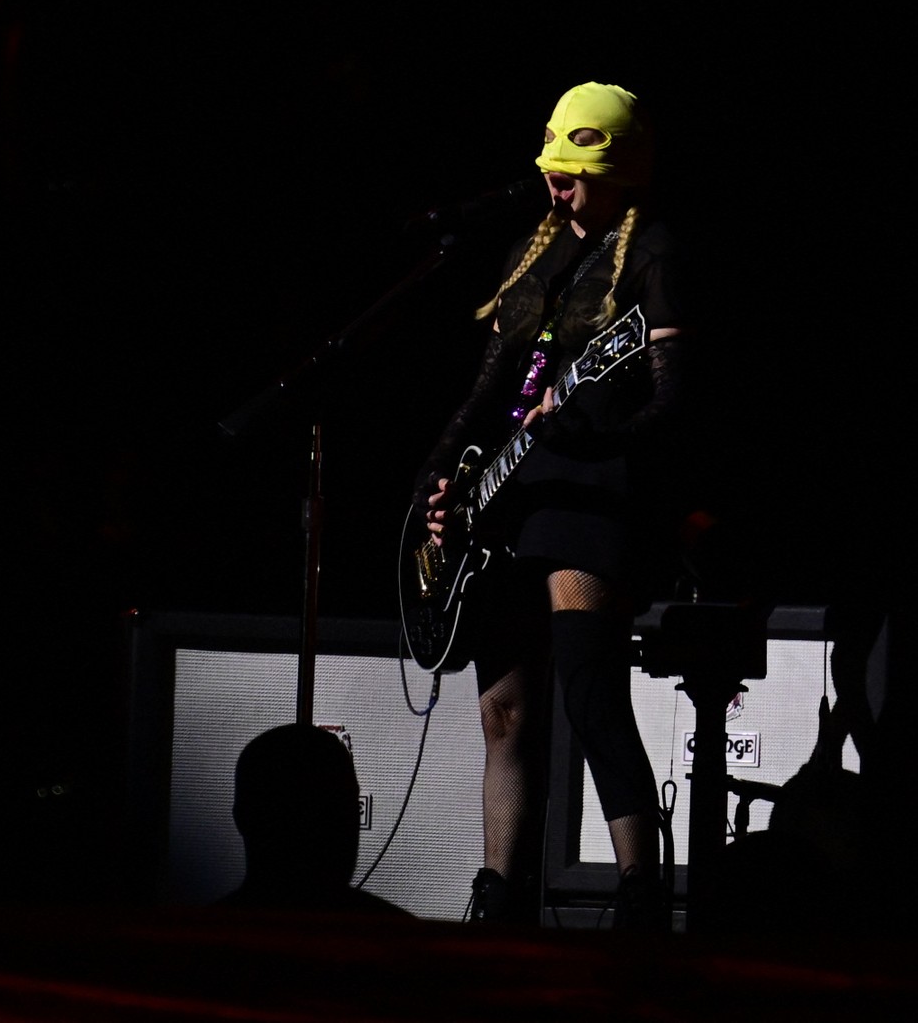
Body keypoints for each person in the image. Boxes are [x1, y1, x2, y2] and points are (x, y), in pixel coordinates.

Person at [414, 81, 692, 929]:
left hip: (593, 497)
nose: (558, 186)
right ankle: (496, 893)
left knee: (591, 690)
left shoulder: (653, 252)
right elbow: (486, 390)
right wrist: (438, 481)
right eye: (552, 170)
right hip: (509, 501)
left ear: (621, 173)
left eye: (575, 172)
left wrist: (579, 432)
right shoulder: (532, 255)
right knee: (503, 710)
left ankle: (641, 890)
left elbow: (671, 407)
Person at [220, 722, 414, 917]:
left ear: (242, 819)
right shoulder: (407, 938)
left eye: (340, 808)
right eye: (303, 812)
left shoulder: (201, 936)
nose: (331, 831)